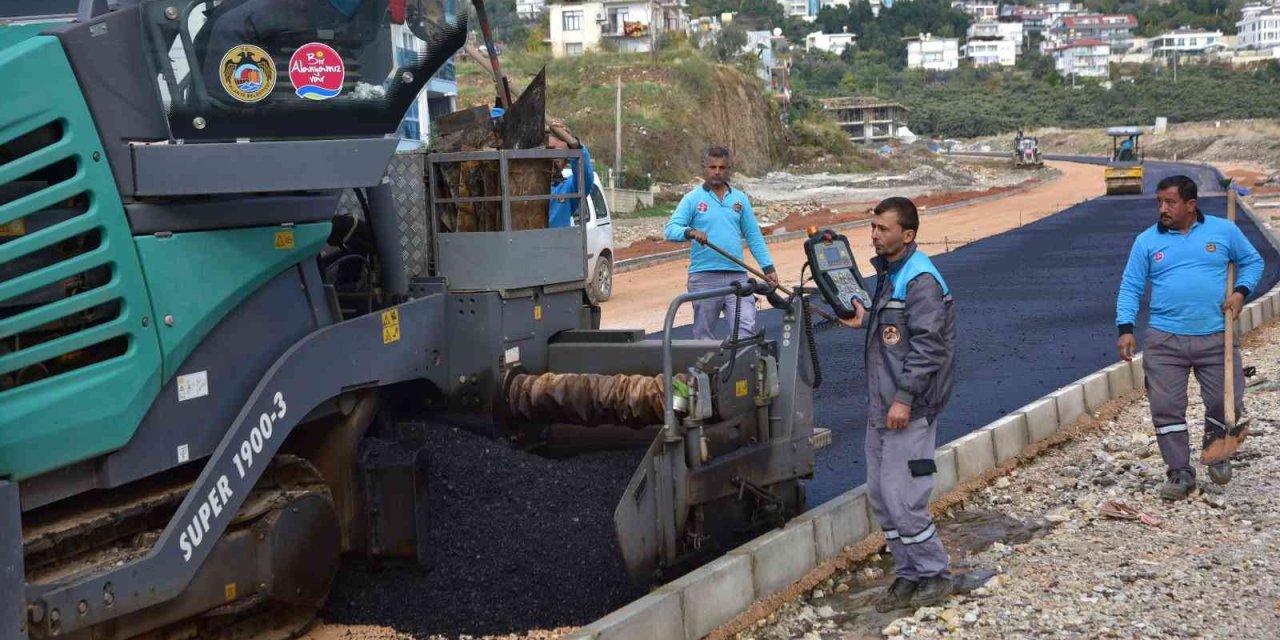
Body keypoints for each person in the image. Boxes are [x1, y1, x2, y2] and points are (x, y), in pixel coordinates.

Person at [840, 196, 956, 612]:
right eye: (872, 227)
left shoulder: (920, 280)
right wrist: (864, 317)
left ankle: (935, 574)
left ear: (907, 235)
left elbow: (929, 348)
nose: (873, 235)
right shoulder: (891, 274)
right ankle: (908, 574)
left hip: (909, 406)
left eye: (882, 229)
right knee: (879, 495)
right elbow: (894, 330)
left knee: (902, 495)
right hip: (883, 404)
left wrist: (904, 399)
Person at [1116, 175, 1264, 499]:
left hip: (1215, 336)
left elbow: (1253, 262)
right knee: (1166, 408)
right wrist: (1125, 328)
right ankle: (1179, 472)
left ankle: (1217, 447)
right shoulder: (1147, 242)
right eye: (1159, 202)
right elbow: (1130, 286)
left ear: (1191, 205)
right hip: (1165, 340)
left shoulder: (1223, 232)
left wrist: (1240, 293)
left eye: (1170, 202)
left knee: (1225, 400)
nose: (1162, 209)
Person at [662, 146, 777, 341]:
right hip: (704, 278)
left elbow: (753, 236)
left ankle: (741, 368)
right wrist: (689, 232)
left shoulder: (740, 199)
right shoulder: (692, 199)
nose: (717, 172)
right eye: (712, 167)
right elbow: (670, 229)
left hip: (737, 276)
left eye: (722, 167)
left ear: (728, 168)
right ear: (704, 168)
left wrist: (768, 267)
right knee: (704, 335)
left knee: (746, 329)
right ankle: (706, 371)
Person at [547, 118, 594, 228]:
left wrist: (576, 147)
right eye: (549, 150)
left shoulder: (567, 189)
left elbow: (585, 178)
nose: (553, 158)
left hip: (556, 244)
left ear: (566, 161)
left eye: (559, 155)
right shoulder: (523, 185)